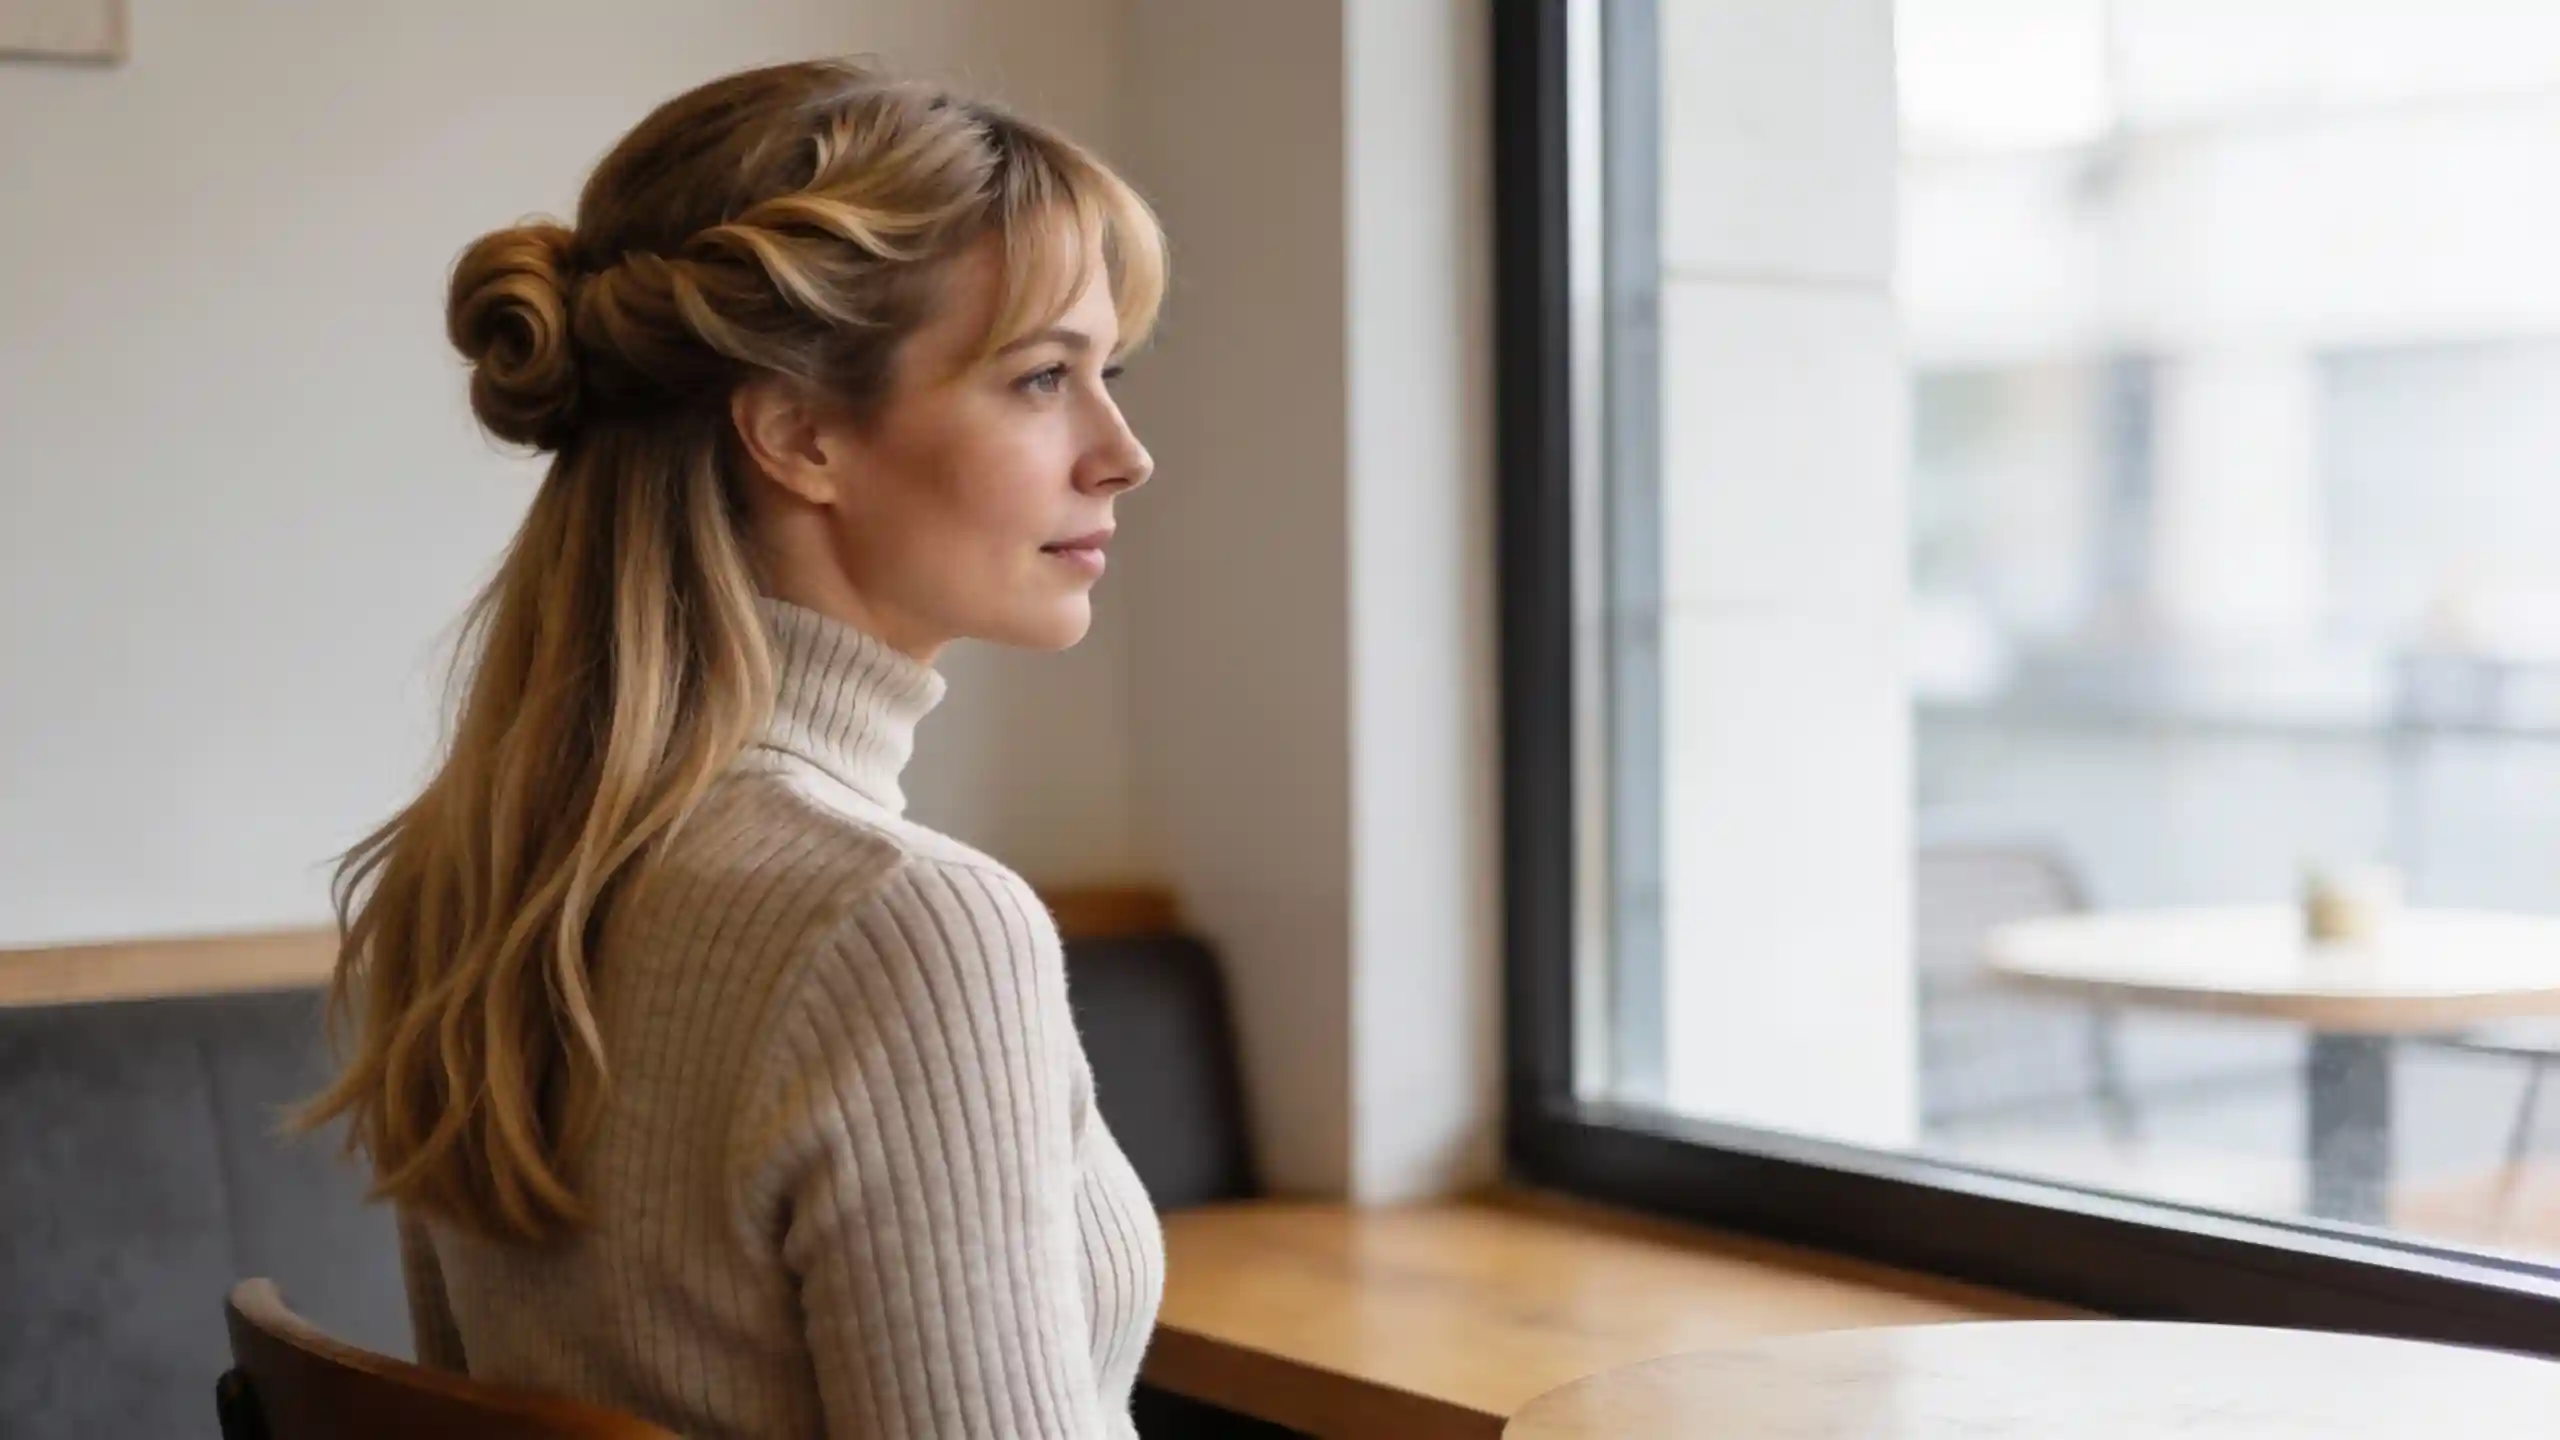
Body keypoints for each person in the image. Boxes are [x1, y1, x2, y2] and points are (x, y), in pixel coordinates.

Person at [296, 58, 1165, 1438]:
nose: (1122, 453)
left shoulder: (474, 876)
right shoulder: (912, 929)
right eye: (1044, 377)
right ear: (798, 433)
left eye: (1104, 374)